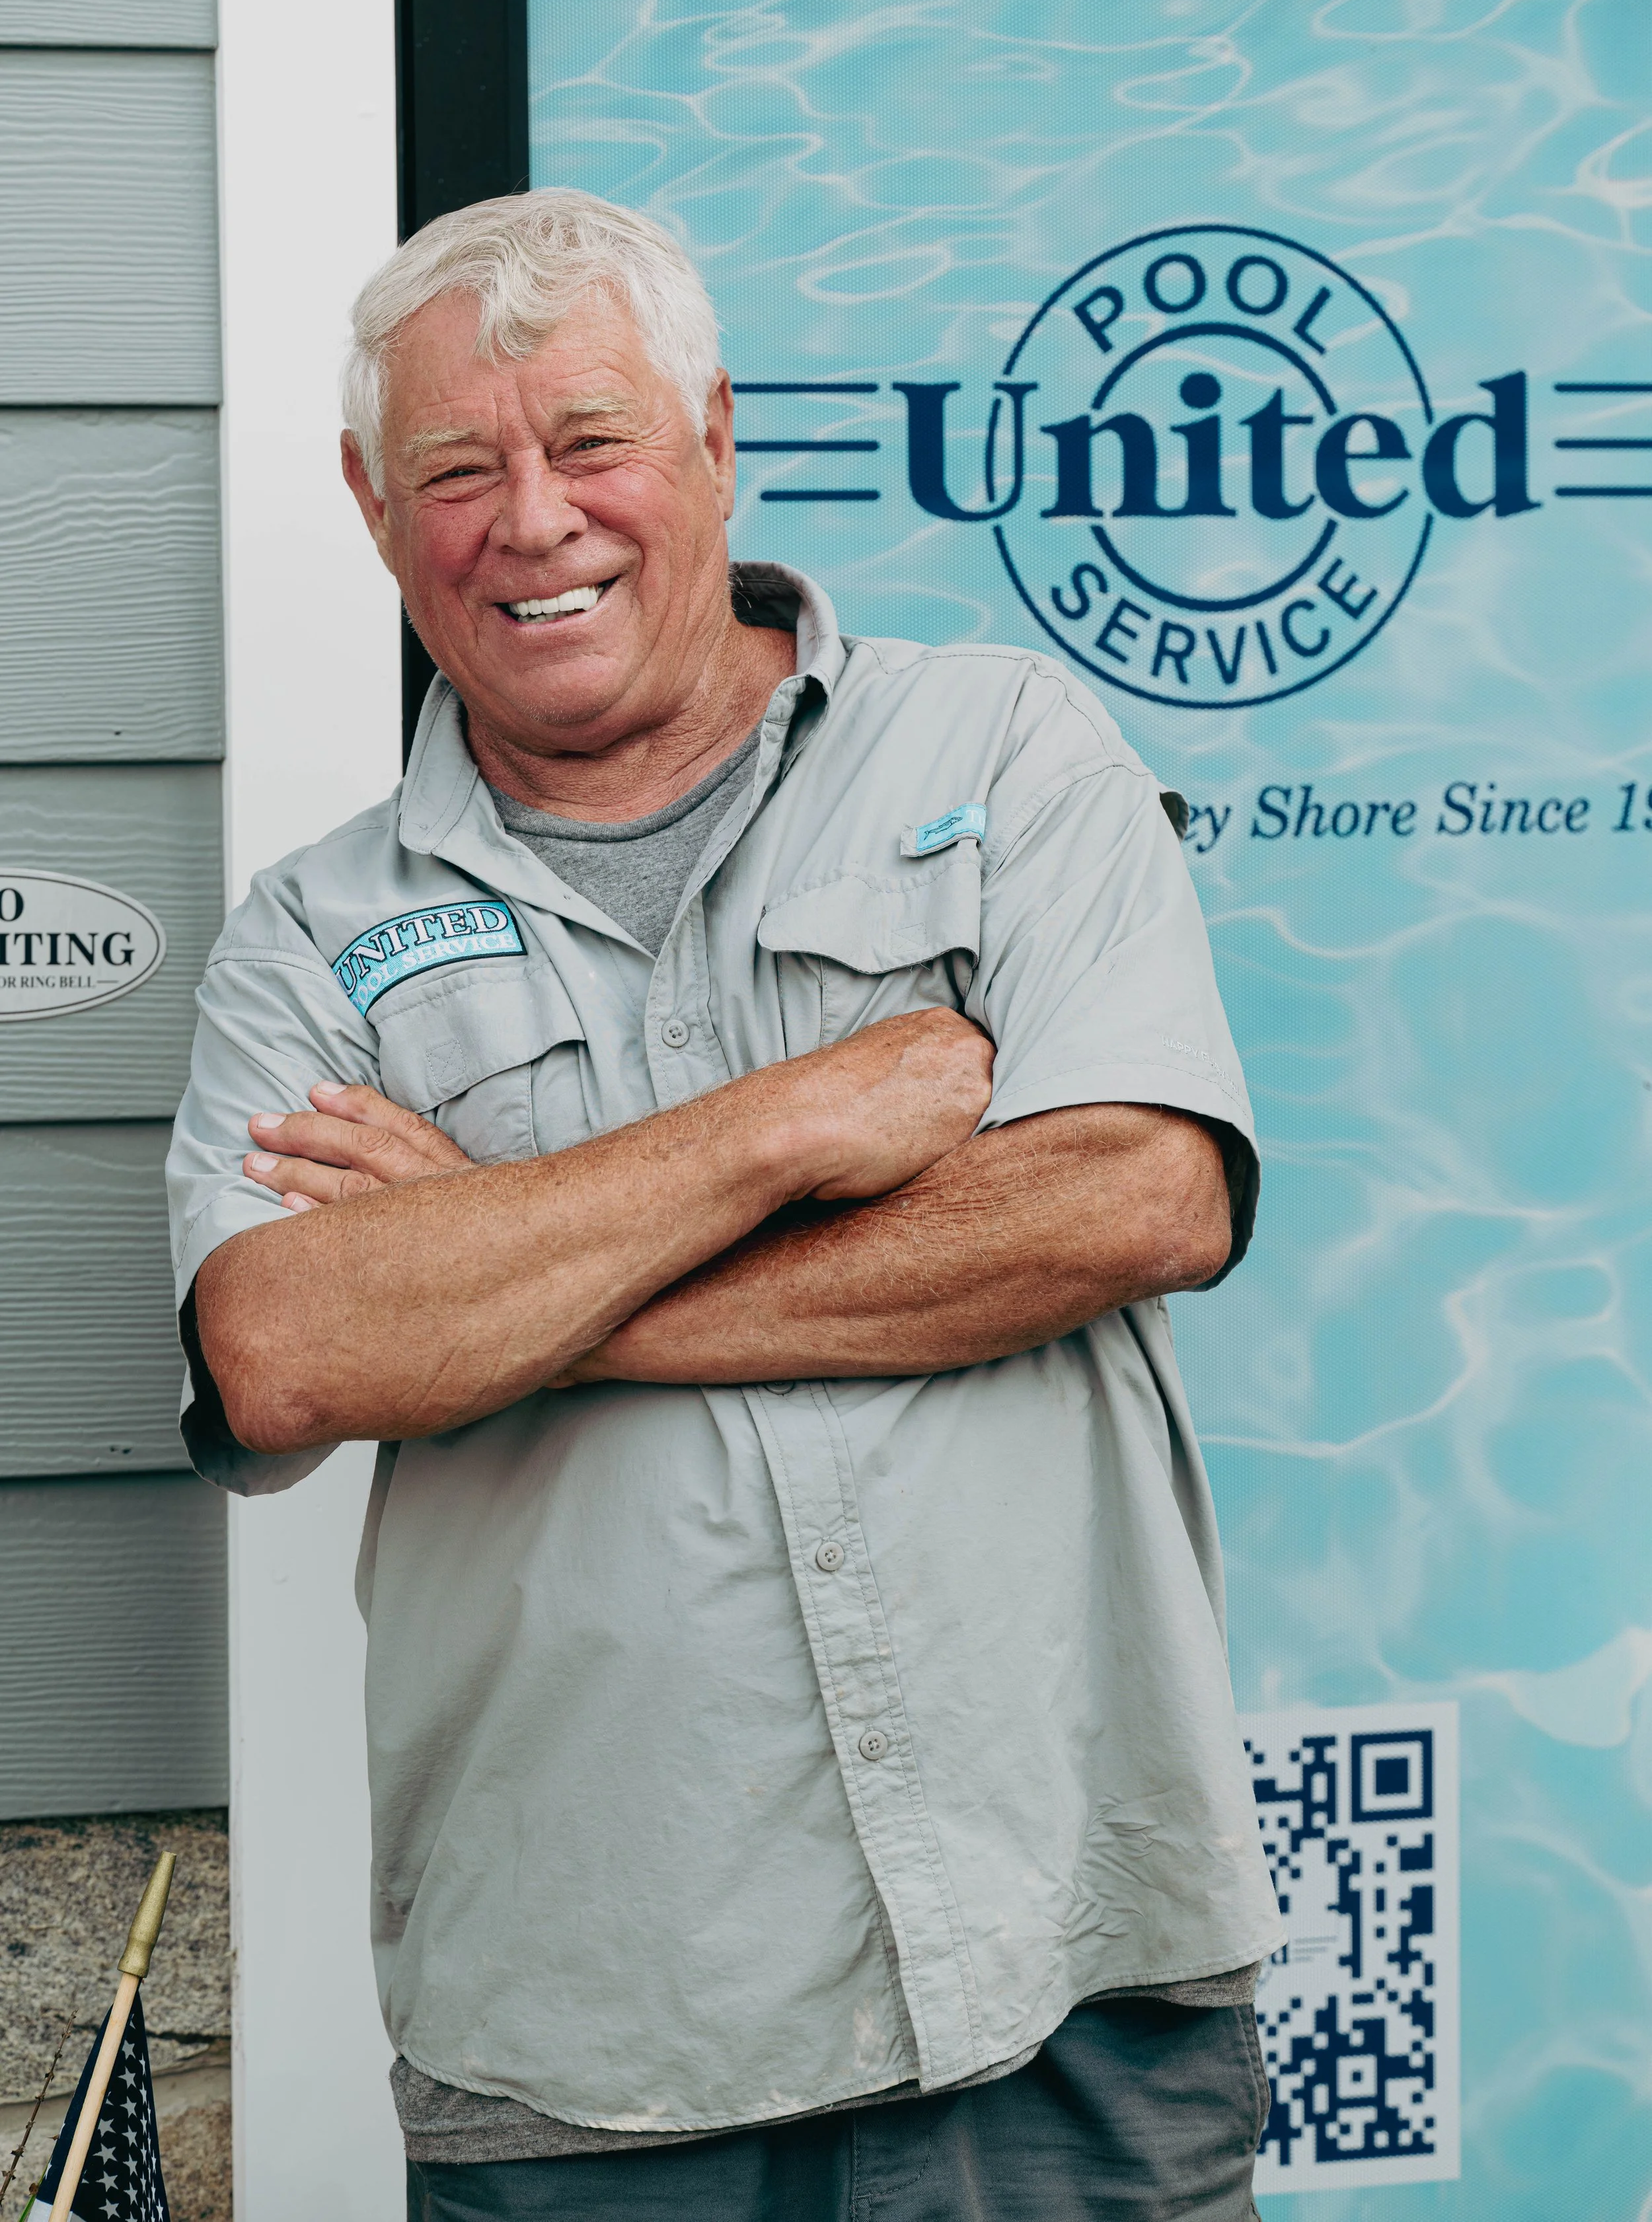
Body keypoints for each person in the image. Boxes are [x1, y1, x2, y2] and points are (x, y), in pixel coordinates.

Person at [167, 189, 1284, 2221]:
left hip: (1065, 1962)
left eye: (591, 441)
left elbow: (1133, 1196)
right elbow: (289, 1349)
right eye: (455, 469)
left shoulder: (1007, 748)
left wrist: (499, 1272)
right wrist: (783, 1132)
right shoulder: (311, 938)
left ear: (710, 436)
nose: (535, 519)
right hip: (598, 2035)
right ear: (365, 500)